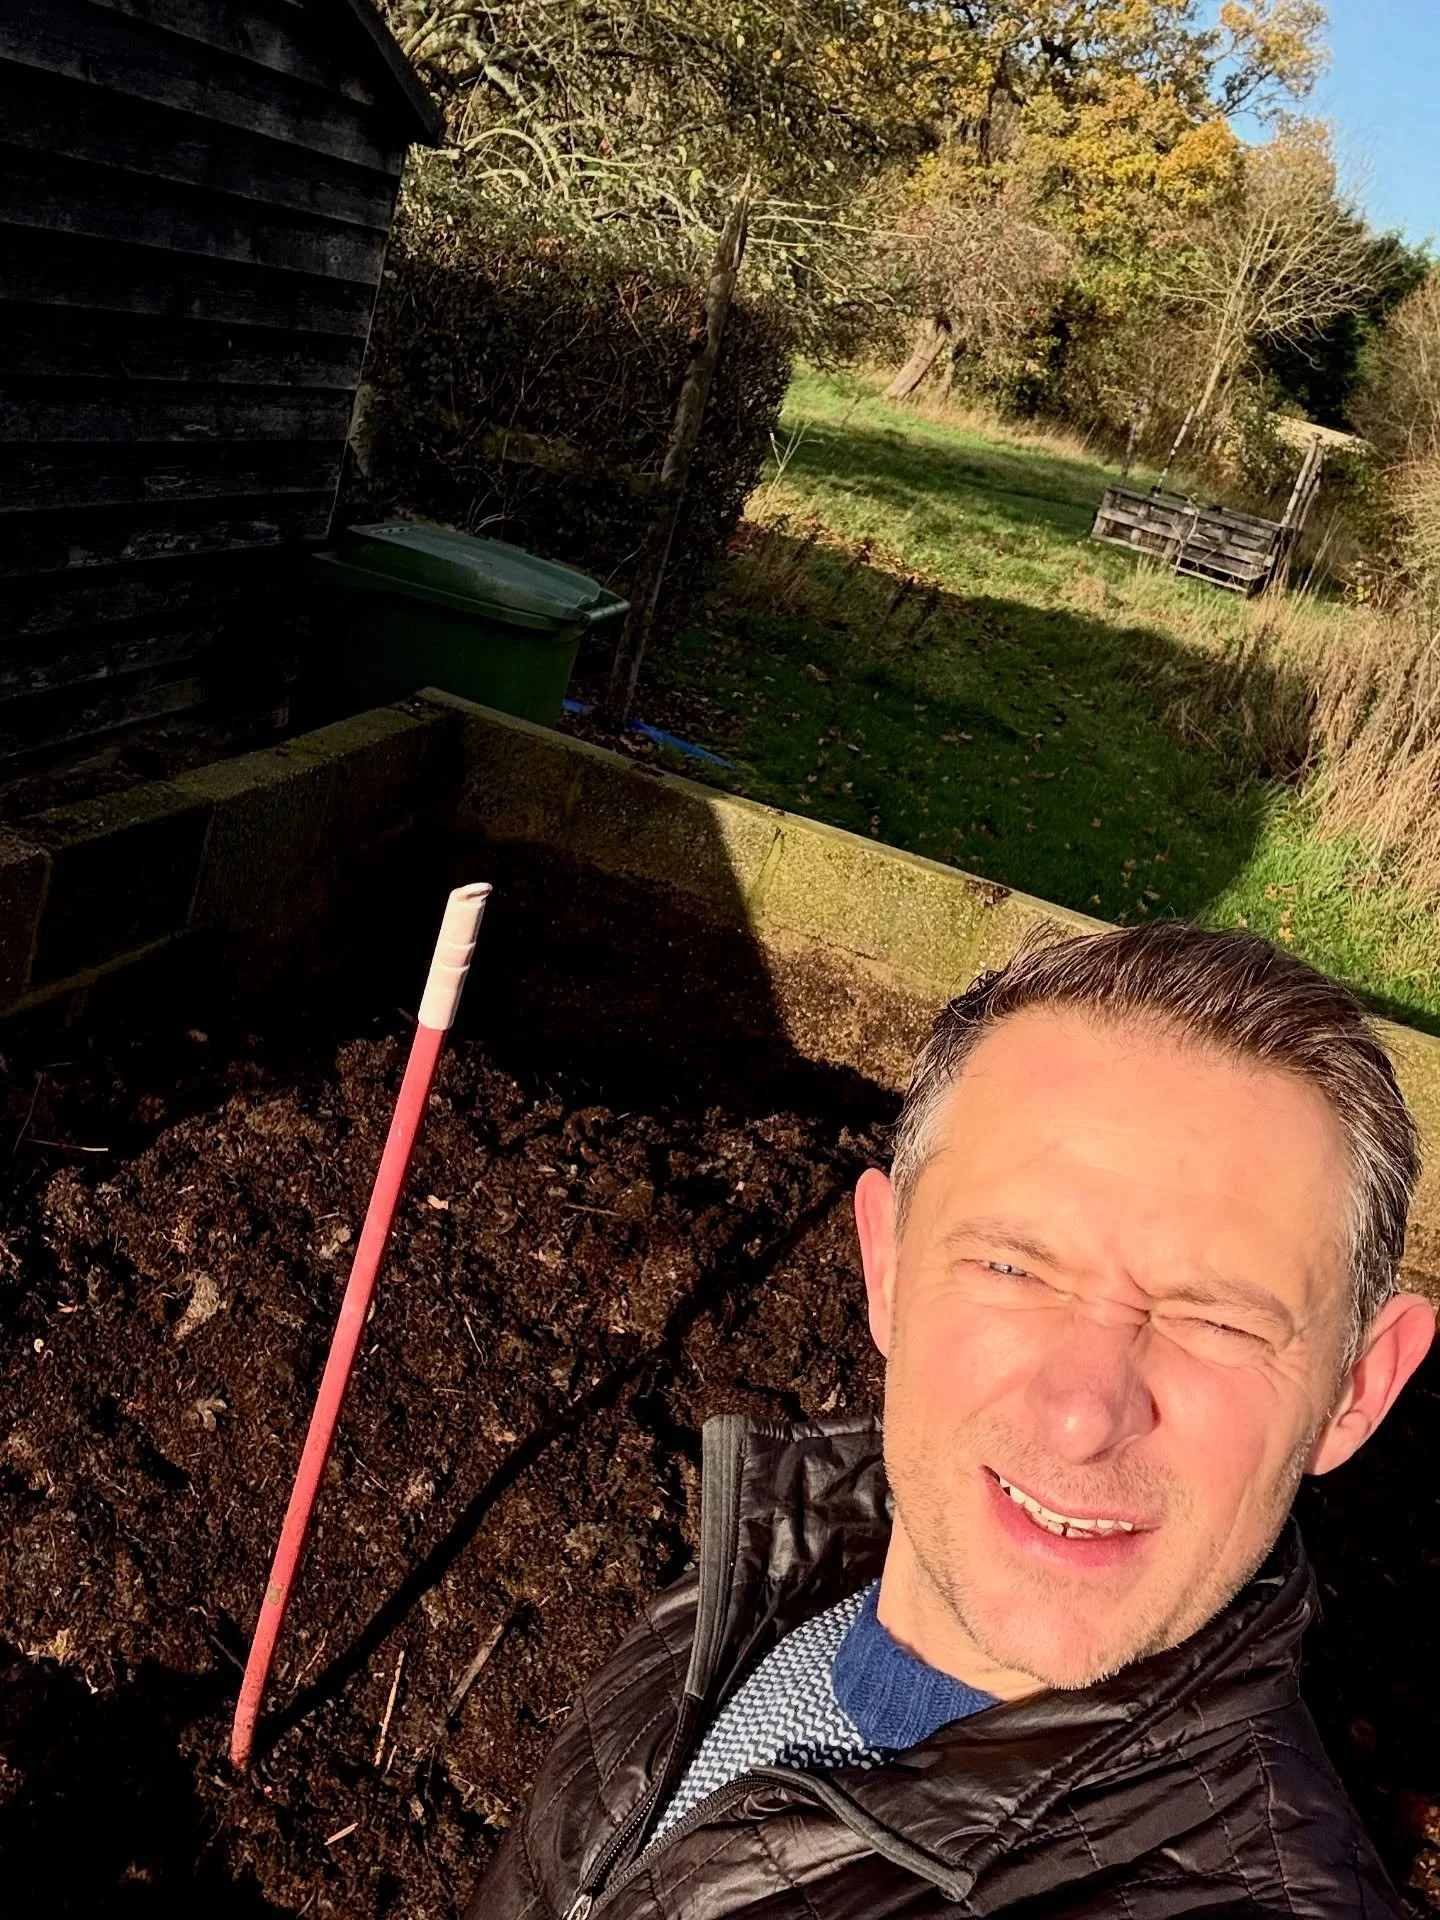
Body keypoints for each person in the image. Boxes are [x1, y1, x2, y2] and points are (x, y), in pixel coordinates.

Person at [468, 925, 1436, 1919]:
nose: (1080, 1416)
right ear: (887, 1267)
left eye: (1215, 1318)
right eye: (1014, 1267)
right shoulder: (760, 1564)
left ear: (1358, 1386)